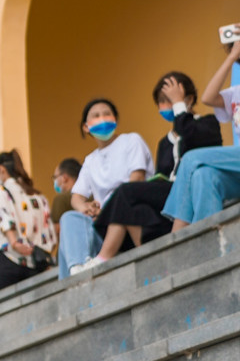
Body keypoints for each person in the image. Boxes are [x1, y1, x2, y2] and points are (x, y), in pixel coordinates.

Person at [81, 73, 224, 266]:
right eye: (162, 101)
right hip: (169, 201)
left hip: (191, 189)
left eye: (171, 100)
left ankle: (104, 256)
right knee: (135, 208)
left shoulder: (207, 123)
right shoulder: (164, 143)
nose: (167, 106)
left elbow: (191, 137)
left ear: (189, 99)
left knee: (125, 191)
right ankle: (151, 261)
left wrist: (179, 105)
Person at [58, 99, 152, 276]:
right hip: (103, 224)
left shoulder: (131, 141)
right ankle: (77, 269)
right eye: (96, 115)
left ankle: (78, 275)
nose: (102, 118)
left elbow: (136, 179)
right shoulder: (90, 160)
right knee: (69, 218)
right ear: (86, 127)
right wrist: (86, 208)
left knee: (121, 199)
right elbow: (76, 197)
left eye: (107, 113)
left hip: (130, 218)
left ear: (115, 119)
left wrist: (108, 210)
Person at [165, 40, 240, 230]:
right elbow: (208, 97)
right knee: (203, 175)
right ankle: (207, 242)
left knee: (191, 159)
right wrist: (231, 57)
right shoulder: (235, 93)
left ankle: (178, 230)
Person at [0, 151, 57, 290]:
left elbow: (6, 218)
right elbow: (50, 233)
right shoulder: (39, 198)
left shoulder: (1, 192)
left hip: (10, 258)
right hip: (36, 262)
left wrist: (14, 243)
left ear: (2, 169)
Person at [50, 159, 81, 228]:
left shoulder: (61, 199)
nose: (55, 181)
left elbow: (57, 229)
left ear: (64, 178)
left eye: (55, 177)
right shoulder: (92, 195)